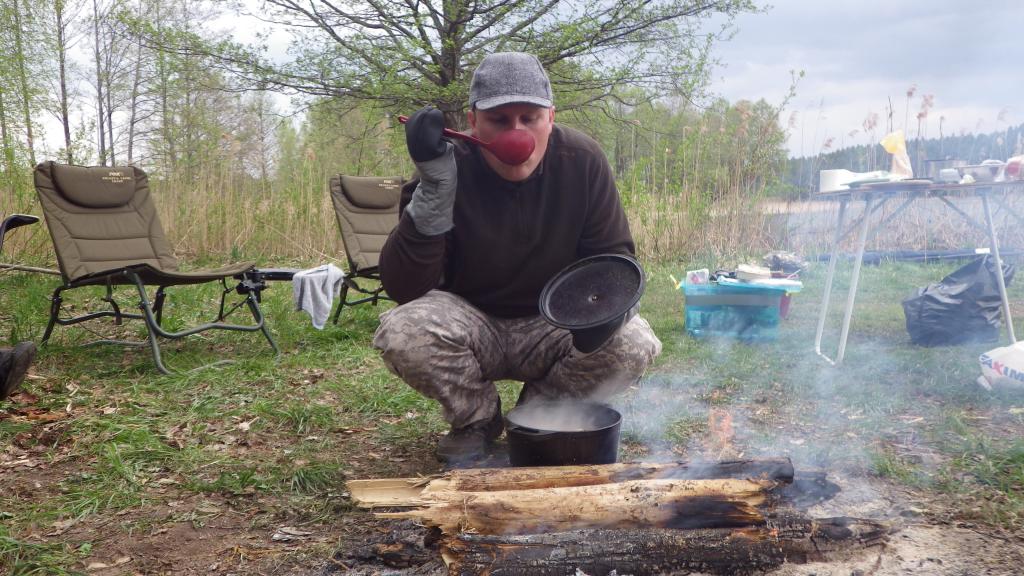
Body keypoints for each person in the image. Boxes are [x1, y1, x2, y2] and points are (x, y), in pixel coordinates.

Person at [374, 52, 662, 466]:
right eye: (499, 120)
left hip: (555, 321)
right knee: (404, 332)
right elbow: (404, 287)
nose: (517, 134)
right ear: (473, 121)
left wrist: (601, 315)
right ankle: (476, 420)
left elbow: (614, 260)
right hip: (470, 319)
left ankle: (540, 415)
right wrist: (436, 190)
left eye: (530, 118)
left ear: (551, 117)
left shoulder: (582, 160)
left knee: (633, 341)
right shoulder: (445, 169)